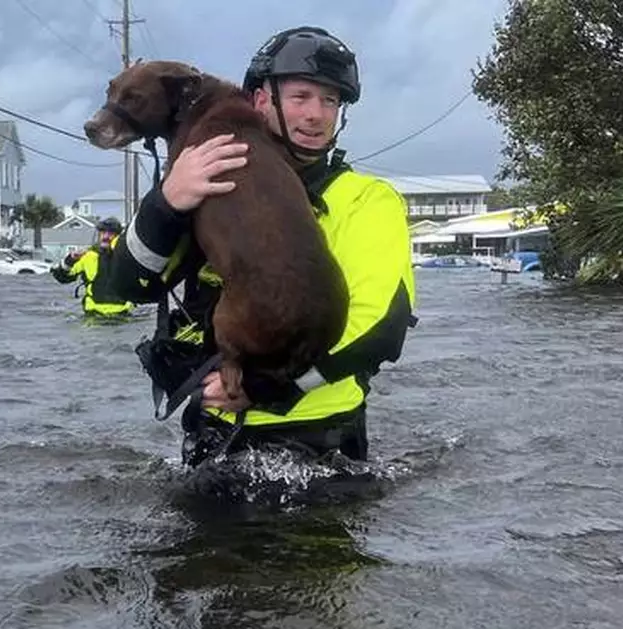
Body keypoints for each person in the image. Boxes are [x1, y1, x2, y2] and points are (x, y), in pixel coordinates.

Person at [105, 26, 418, 468]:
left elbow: (380, 328)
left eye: (330, 101)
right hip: (211, 431)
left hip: (318, 438)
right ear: (259, 100)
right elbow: (129, 284)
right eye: (301, 96)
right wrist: (166, 203)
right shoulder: (204, 177)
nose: (317, 114)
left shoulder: (367, 198)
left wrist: (270, 387)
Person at [51, 216, 135, 318]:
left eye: (110, 233)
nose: (106, 236)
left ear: (118, 236)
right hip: (93, 317)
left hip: (123, 316)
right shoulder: (88, 256)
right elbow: (62, 277)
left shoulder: (127, 257)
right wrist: (71, 259)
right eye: (103, 233)